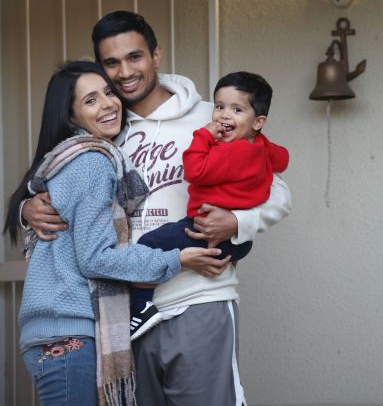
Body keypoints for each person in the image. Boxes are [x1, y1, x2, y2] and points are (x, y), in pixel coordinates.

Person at [22, 11, 292, 406]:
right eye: (111, 63)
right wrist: (28, 208)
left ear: (156, 55)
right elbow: (57, 185)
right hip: (122, 315)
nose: (125, 72)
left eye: (135, 57)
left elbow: (277, 192)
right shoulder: (102, 128)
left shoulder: (212, 117)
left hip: (198, 295)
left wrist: (237, 221)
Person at [5, 60, 228, 406]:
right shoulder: (93, 161)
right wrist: (176, 259)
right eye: (90, 100)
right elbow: (96, 258)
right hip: (69, 333)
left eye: (108, 93)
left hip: (56, 333)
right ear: (70, 116)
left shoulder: (66, 158)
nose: (108, 104)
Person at [129, 70, 289, 341]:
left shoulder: (231, 152)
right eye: (219, 107)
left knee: (147, 244)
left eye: (237, 109)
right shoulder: (258, 145)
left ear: (259, 121)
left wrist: (203, 136)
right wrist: (262, 145)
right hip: (236, 242)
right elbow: (282, 159)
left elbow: (195, 169)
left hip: (201, 230)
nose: (224, 115)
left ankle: (142, 304)